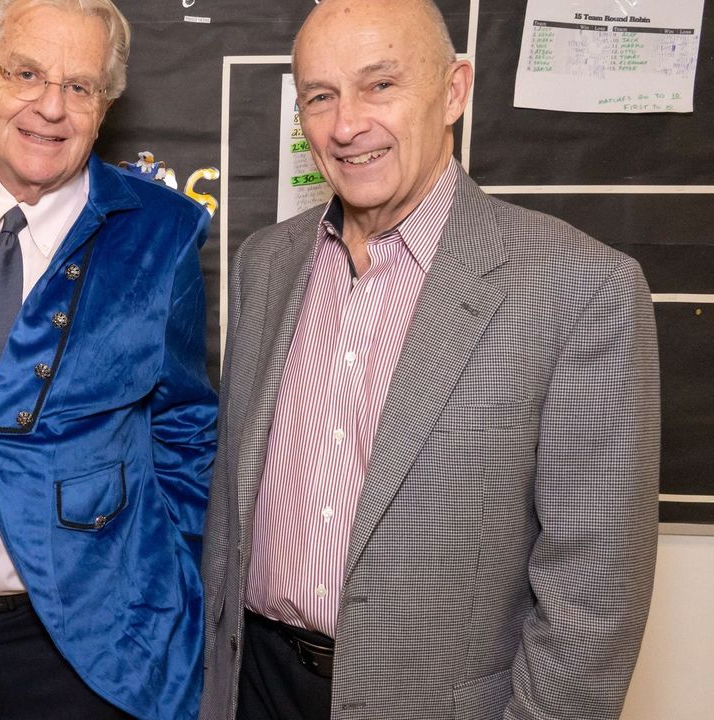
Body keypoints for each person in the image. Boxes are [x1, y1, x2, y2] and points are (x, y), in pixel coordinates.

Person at [200, 1, 661, 719]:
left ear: (453, 91)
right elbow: (230, 513)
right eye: (320, 97)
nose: (346, 125)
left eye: (380, 85)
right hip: (253, 685)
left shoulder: (580, 287)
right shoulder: (265, 262)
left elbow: (595, 589)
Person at [0, 1, 218, 717]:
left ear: (105, 105)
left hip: (89, 649)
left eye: (79, 86)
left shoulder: (164, 233)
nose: (51, 108)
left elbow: (185, 423)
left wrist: (163, 571)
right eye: (25, 74)